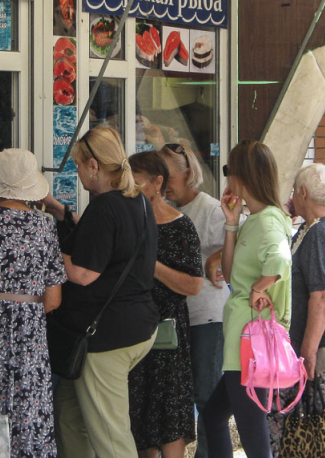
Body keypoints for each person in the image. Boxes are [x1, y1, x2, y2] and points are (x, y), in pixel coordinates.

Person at [44, 126, 159, 458]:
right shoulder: (137, 202)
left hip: (106, 335)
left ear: (94, 165)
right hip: (135, 325)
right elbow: (104, 249)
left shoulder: (105, 207)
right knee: (69, 416)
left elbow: (82, 272)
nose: (76, 171)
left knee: (111, 437)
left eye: (79, 164)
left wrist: (45, 250)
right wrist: (60, 211)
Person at [0, 148, 67, 458]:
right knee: (32, 419)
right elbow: (54, 298)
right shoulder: (46, 226)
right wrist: (25, 310)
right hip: (32, 340)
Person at [202, 140, 293, 458]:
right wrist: (230, 223)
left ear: (243, 175)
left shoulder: (267, 221)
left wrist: (259, 289)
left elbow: (281, 260)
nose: (226, 177)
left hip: (249, 343)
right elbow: (229, 274)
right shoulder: (256, 219)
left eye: (228, 170)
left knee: (254, 442)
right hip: (245, 341)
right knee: (214, 418)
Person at [267, 163, 325, 453]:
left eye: (294, 190)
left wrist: (307, 353)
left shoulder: (322, 233)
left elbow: (324, 297)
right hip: (318, 343)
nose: (292, 195)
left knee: (322, 426)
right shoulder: (312, 228)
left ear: (303, 192)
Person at [128, 150, 203, 458]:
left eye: (136, 183)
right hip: (133, 326)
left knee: (170, 411)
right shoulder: (130, 220)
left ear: (157, 183)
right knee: (139, 410)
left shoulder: (181, 226)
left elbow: (194, 284)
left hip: (169, 330)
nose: (130, 190)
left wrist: (152, 264)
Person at [160, 142, 230, 458]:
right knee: (176, 396)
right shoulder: (162, 209)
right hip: (175, 319)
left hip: (207, 317)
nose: (162, 183)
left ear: (187, 172)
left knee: (206, 395)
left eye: (166, 174)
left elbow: (241, 240)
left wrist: (215, 258)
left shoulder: (211, 209)